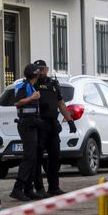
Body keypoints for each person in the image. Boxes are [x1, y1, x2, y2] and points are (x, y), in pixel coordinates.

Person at [32, 59, 76, 197]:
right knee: (37, 157)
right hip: (39, 124)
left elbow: (61, 103)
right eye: (38, 69)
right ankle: (39, 189)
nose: (41, 71)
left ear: (47, 69)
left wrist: (69, 120)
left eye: (43, 69)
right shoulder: (32, 84)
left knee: (55, 156)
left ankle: (54, 187)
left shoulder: (53, 84)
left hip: (52, 124)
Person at [10, 64, 43, 202]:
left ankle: (28, 189)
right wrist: (32, 98)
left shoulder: (30, 86)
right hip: (26, 125)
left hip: (32, 124)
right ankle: (17, 189)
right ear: (35, 75)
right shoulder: (24, 86)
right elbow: (17, 102)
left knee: (33, 158)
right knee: (29, 157)